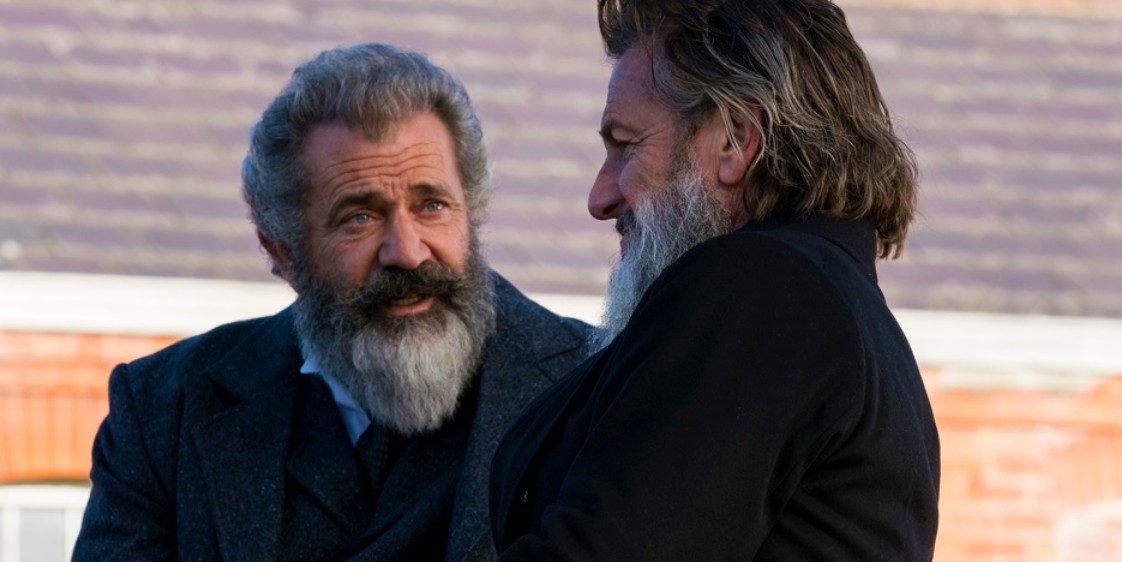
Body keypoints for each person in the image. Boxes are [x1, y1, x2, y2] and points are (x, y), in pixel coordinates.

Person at [73, 43, 593, 561]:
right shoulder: (163, 412)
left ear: (471, 214)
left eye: (432, 206)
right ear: (283, 251)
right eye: (360, 217)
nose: (407, 253)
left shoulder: (592, 388)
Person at [489, 0, 940, 559]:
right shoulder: (832, 305)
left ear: (734, 140)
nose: (600, 198)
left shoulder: (763, 289)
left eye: (626, 145)